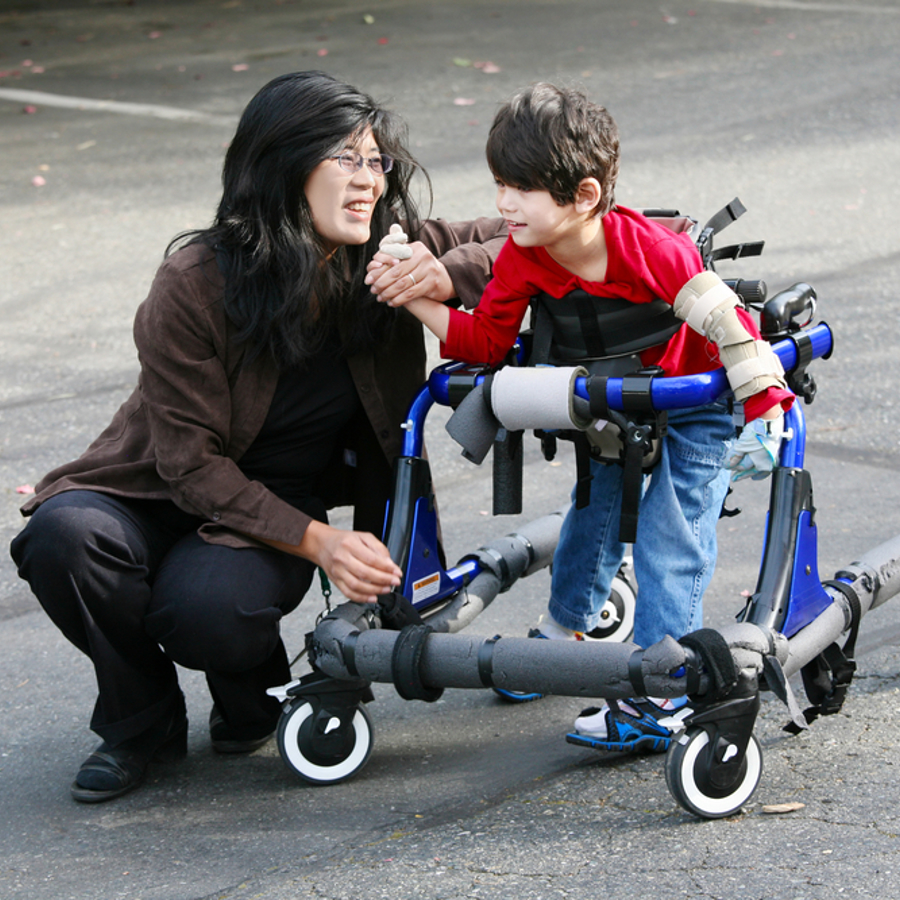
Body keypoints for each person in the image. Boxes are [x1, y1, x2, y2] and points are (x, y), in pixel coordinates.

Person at [10, 70, 505, 803]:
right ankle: (138, 721)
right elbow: (187, 465)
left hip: (269, 504)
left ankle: (251, 701)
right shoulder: (194, 282)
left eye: (375, 160)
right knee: (62, 537)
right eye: (346, 158)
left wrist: (445, 269)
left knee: (207, 612)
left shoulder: (385, 256)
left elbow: (532, 233)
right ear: (281, 165)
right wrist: (322, 544)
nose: (368, 179)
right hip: (155, 489)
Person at [371, 83, 793, 751]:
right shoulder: (524, 256)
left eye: (522, 188)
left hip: (696, 402)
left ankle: (664, 690)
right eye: (500, 184)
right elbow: (483, 341)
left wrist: (766, 409)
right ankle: (562, 639)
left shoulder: (649, 249)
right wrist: (414, 299)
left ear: (585, 196)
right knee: (591, 511)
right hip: (612, 400)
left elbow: (728, 323)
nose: (504, 203)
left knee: (667, 532)